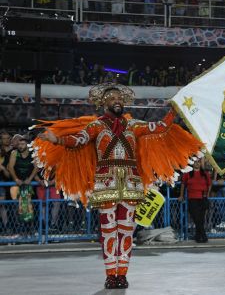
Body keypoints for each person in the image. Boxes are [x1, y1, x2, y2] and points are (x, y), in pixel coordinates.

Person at [35, 83, 202, 289]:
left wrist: (174, 109)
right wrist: (57, 139)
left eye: (120, 98)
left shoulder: (134, 126)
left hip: (131, 182)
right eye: (112, 98)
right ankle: (110, 274)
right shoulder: (96, 126)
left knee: (126, 230)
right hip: (106, 182)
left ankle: (122, 274)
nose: (117, 101)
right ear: (103, 102)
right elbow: (78, 140)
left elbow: (161, 127)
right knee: (108, 230)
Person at [178, 159, 211, 243]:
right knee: (196, 218)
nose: (197, 163)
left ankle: (198, 236)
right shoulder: (187, 174)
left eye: (198, 162)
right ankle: (203, 235)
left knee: (201, 219)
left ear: (200, 164)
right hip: (192, 198)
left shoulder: (205, 174)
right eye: (195, 162)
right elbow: (183, 184)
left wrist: (207, 195)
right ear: (192, 164)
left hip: (202, 198)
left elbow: (209, 184)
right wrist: (181, 195)